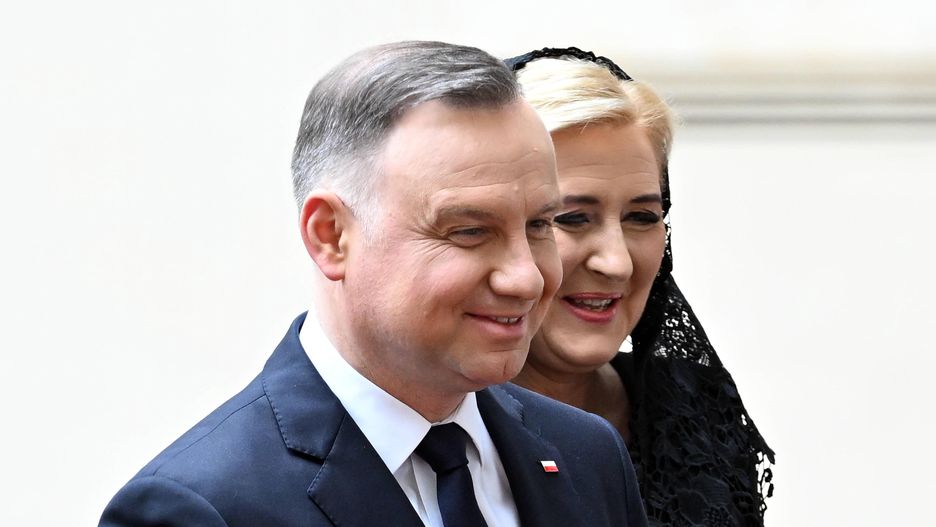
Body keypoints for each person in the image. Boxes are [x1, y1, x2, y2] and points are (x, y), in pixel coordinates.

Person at [99, 41, 648, 527]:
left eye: (539, 226)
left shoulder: (586, 455)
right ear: (331, 236)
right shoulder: (203, 508)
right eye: (470, 231)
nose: (525, 277)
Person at [505, 47, 775, 527]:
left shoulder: (690, 413)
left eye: (642, 217)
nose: (617, 262)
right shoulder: (433, 428)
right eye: (572, 217)